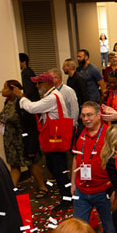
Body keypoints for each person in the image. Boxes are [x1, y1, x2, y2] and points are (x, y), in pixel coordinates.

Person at [17, 72, 72, 211]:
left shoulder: (52, 98)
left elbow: (32, 108)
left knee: (60, 170)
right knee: (54, 167)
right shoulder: (51, 96)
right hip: (53, 140)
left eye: (39, 83)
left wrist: (21, 98)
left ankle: (67, 198)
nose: (37, 86)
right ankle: (66, 195)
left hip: (56, 141)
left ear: (47, 84)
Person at [71, 101, 117, 233]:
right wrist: (72, 182)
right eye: (83, 115)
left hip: (103, 190)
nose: (86, 118)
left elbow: (116, 162)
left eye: (89, 115)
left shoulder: (109, 133)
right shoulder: (80, 133)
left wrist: (116, 190)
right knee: (78, 231)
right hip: (81, 191)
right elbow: (76, 158)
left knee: (110, 231)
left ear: (99, 115)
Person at [0, 80, 48, 197]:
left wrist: (31, 146)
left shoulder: (21, 103)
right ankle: (11, 190)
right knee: (14, 166)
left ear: (12, 89)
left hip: (23, 141)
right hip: (11, 141)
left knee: (31, 164)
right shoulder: (7, 102)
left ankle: (42, 186)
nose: (2, 90)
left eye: (5, 87)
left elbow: (31, 125)